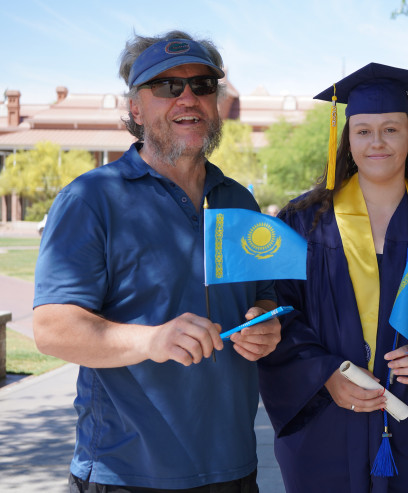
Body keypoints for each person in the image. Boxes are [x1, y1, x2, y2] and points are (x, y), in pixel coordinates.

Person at [33, 31, 281, 492]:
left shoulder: (240, 202)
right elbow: (52, 328)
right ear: (135, 108)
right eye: (167, 86)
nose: (188, 98)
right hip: (126, 470)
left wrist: (265, 323)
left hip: (233, 466)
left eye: (202, 85)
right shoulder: (91, 199)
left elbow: (263, 298)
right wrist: (153, 340)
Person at [257, 63, 408, 492]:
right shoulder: (304, 222)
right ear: (347, 140)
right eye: (363, 131)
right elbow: (277, 309)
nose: (377, 142)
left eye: (390, 129)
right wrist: (325, 374)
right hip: (328, 427)